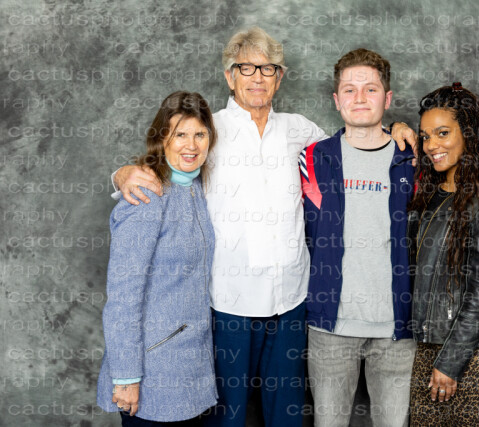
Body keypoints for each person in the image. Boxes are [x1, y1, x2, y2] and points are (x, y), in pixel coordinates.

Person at [110, 28, 416, 427]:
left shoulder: (300, 130)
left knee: (286, 416)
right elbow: (166, 162)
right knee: (228, 416)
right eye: (246, 68)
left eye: (268, 68)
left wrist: (397, 130)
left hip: (291, 303)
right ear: (229, 76)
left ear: (280, 76)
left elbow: (356, 145)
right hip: (229, 304)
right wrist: (122, 174)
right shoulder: (209, 130)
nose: (257, 77)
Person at [300, 48, 416, 427]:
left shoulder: (413, 161)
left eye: (371, 89)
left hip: (397, 329)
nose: (360, 98)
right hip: (330, 327)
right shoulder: (310, 159)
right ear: (336, 100)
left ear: (388, 98)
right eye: (350, 90)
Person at [96, 91, 218, 426]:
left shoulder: (195, 188)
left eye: (200, 134)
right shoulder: (146, 197)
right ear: (162, 138)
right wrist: (126, 376)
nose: (191, 145)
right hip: (151, 372)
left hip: (190, 367)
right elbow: (123, 296)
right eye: (180, 134)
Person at [407, 83, 479, 426]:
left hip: (472, 350)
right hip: (428, 343)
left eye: (443, 133)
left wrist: (451, 362)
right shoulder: (429, 196)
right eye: (425, 136)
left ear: (469, 135)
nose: (432, 145)